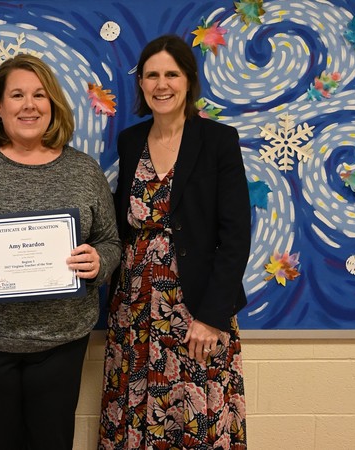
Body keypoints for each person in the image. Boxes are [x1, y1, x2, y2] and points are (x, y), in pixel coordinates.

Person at [0, 54, 121, 450]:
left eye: (39, 95)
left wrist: (99, 262)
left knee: (53, 439)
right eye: (17, 95)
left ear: (53, 105)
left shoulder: (83, 170)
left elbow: (111, 242)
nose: (29, 105)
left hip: (61, 338)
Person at [98, 34, 250, 449]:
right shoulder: (131, 142)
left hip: (196, 309)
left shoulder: (218, 140)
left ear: (188, 81)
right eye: (152, 75)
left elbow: (236, 235)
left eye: (171, 74)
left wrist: (213, 316)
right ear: (142, 85)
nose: (161, 84)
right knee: (137, 410)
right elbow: (119, 221)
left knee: (196, 418)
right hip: (134, 308)